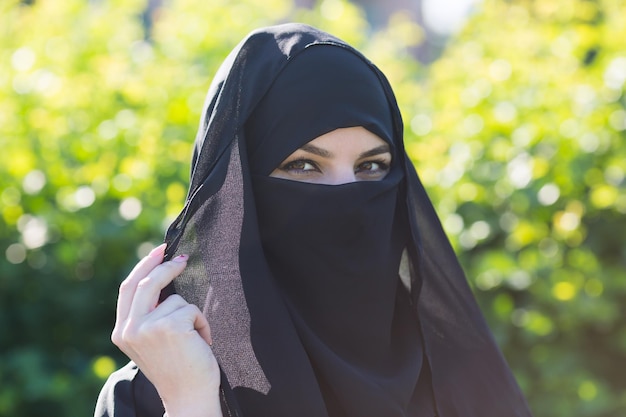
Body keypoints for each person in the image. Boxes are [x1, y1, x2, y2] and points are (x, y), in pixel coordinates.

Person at [95, 23, 533, 417]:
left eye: (372, 167)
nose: (347, 198)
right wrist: (192, 403)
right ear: (238, 189)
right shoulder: (156, 393)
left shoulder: (453, 376)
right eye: (303, 166)